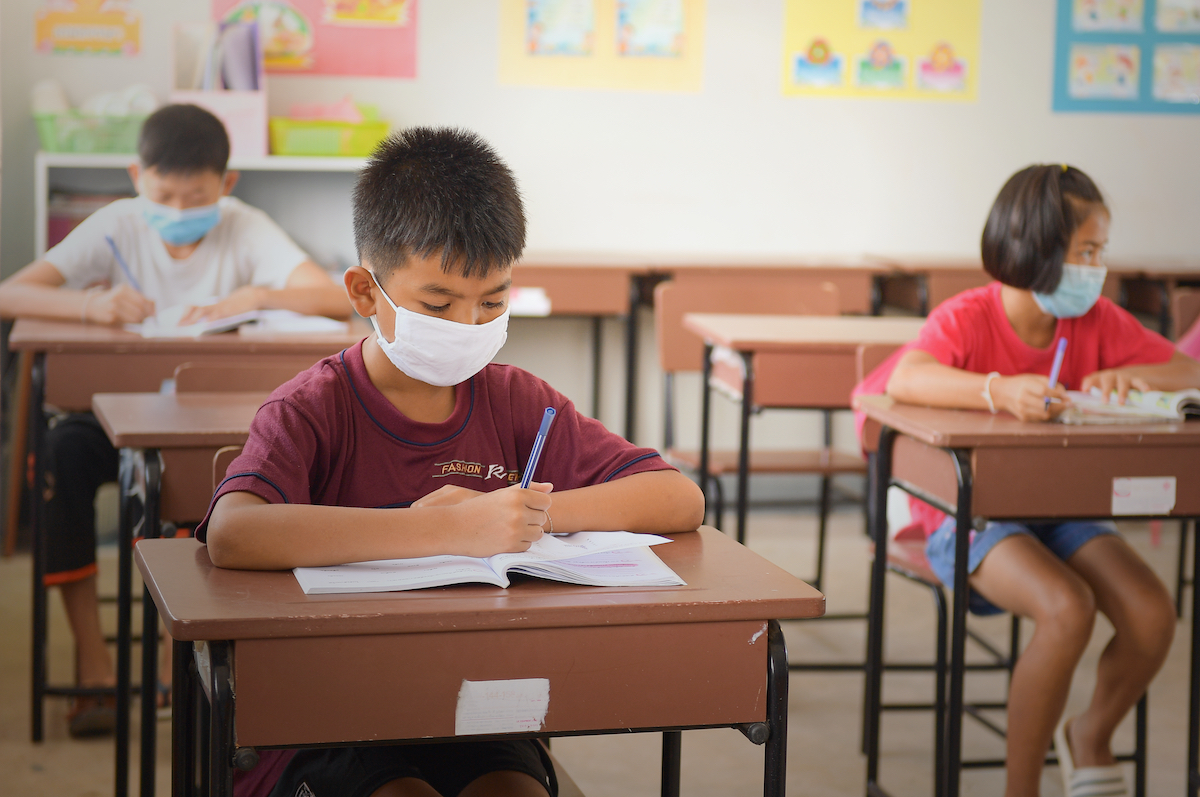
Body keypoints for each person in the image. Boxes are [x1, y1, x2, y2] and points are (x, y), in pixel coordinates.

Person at [196, 126, 705, 797]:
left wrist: (525, 516)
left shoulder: (517, 400)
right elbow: (233, 533)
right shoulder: (312, 408)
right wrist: (443, 528)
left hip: (480, 704)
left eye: (492, 301)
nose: (469, 324)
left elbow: (677, 498)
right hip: (326, 713)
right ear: (364, 292)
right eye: (437, 304)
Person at [0, 104, 350, 737]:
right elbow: (11, 293)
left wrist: (257, 295)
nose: (182, 210)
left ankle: (176, 656)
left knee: (222, 474)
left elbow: (332, 297)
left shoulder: (245, 228)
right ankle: (92, 658)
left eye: (198, 196)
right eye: (165, 194)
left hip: (201, 422)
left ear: (228, 185)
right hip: (107, 420)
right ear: (137, 176)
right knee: (59, 457)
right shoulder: (115, 226)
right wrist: (90, 304)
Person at [854, 164, 1200, 797]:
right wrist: (998, 390)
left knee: (1152, 615)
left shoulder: (1096, 318)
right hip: (969, 513)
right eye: (1086, 252)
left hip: (1062, 509)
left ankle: (1089, 734)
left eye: (1101, 251)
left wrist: (1138, 378)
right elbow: (906, 379)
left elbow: (1182, 367)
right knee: (1068, 608)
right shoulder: (970, 316)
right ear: (1037, 250)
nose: (1098, 268)